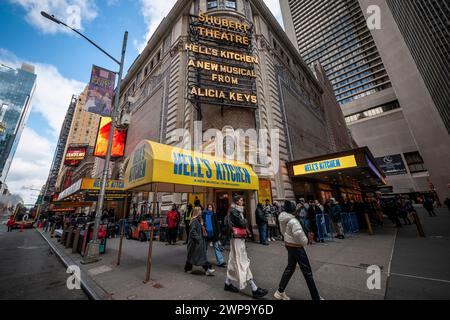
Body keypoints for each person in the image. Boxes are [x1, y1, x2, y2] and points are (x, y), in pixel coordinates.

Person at [274, 200, 322, 300]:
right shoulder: (293, 220)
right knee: (307, 272)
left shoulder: (283, 218)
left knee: (290, 268)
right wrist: (305, 241)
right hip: (297, 247)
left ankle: (280, 291)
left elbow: (283, 232)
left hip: (289, 244)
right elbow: (299, 235)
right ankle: (316, 297)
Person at [224, 195, 268, 299]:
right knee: (242, 261)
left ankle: (227, 283)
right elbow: (242, 223)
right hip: (237, 239)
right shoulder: (235, 211)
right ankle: (254, 288)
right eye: (241, 200)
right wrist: (245, 221)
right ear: (237, 201)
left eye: (243, 200)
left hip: (236, 239)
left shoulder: (236, 210)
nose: (243, 201)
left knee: (233, 260)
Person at [184, 207, 215, 276]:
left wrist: (203, 225)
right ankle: (207, 269)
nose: (201, 211)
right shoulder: (194, 220)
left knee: (192, 256)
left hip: (198, 242)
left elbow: (202, 228)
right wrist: (199, 239)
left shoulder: (199, 220)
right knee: (200, 256)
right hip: (195, 243)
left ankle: (187, 268)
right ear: (197, 212)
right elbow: (192, 232)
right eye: (200, 210)